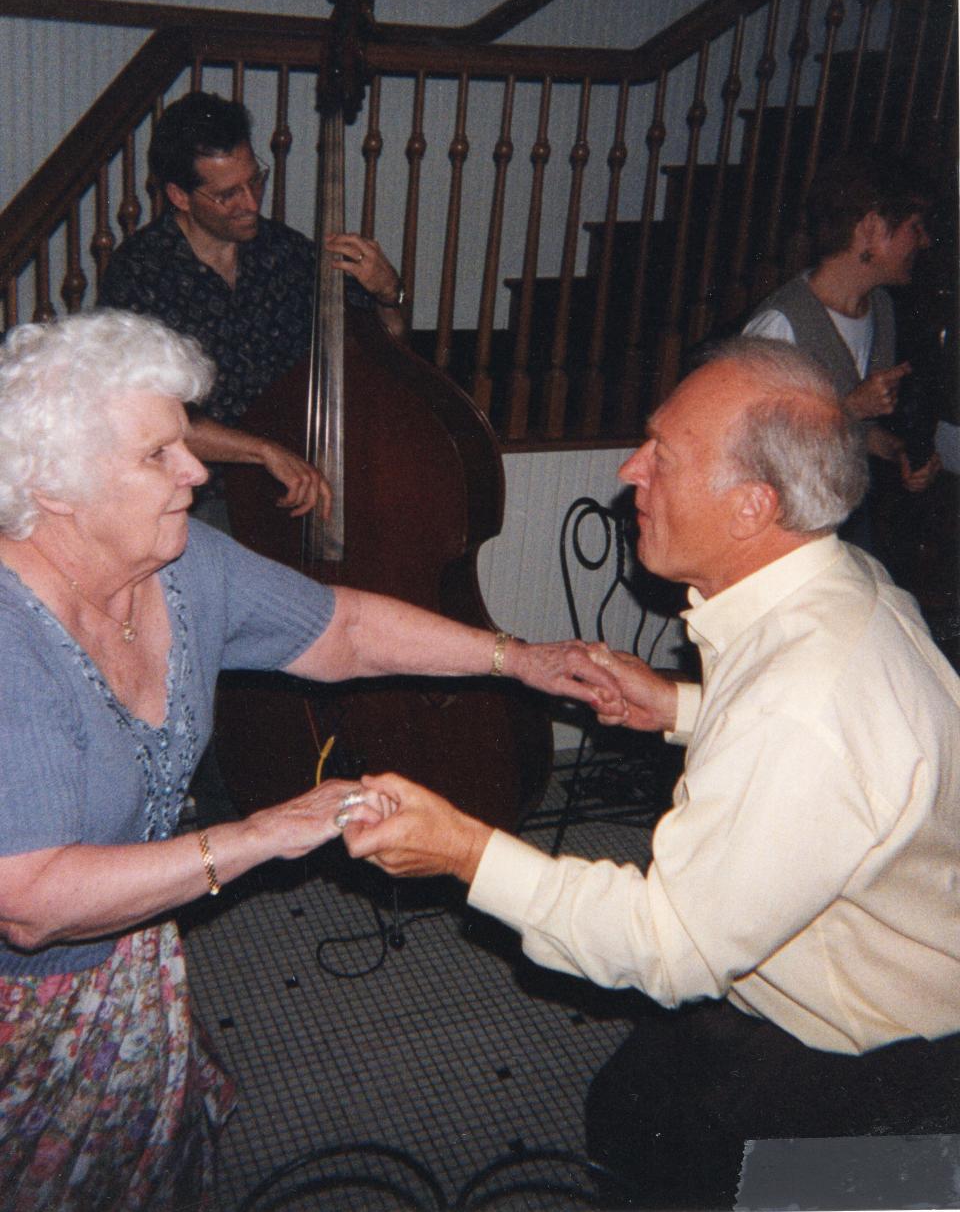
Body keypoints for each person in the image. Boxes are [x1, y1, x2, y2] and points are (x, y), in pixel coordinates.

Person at [0, 309, 615, 1211]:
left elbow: (348, 629)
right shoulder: (12, 641)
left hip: (122, 960)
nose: (197, 470)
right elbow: (30, 903)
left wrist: (515, 657)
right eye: (158, 455)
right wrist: (258, 836)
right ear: (55, 488)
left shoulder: (177, 567)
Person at [345, 337, 960, 1209]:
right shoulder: (840, 579)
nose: (631, 469)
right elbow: (845, 760)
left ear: (752, 507)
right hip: (813, 967)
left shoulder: (804, 703)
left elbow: (670, 947)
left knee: (673, 1167)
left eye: (663, 456)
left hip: (868, 1057)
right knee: (629, 1109)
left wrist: (467, 852)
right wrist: (676, 706)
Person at [98, 89, 405, 528]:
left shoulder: (287, 253)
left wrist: (387, 293)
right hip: (199, 489)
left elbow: (386, 352)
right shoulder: (139, 272)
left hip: (296, 477)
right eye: (228, 194)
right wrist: (262, 452)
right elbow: (148, 414)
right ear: (180, 196)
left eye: (255, 180)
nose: (252, 203)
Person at [743, 147, 941, 550]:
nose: (925, 241)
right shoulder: (780, 325)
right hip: (782, 533)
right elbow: (752, 449)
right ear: (870, 227)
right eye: (914, 227)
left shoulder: (880, 308)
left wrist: (898, 451)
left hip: (844, 522)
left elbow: (855, 434)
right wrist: (850, 408)